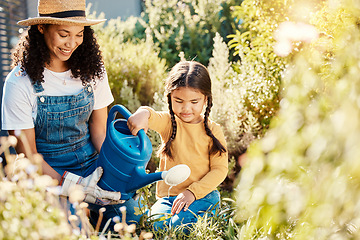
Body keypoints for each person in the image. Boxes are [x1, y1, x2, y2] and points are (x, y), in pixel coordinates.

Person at [1, 0, 142, 230]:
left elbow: (99, 132)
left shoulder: (92, 70)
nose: (72, 43)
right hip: (47, 174)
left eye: (79, 34)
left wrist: (116, 170)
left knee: (131, 219)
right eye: (64, 34)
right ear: (41, 28)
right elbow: (29, 156)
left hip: (92, 169)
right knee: (74, 231)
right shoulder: (20, 83)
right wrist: (74, 187)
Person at [127, 60, 228, 231]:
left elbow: (220, 169)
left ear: (206, 100)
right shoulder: (169, 123)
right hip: (168, 199)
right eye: (178, 100)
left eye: (194, 102)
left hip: (203, 196)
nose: (186, 108)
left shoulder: (213, 130)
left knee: (177, 226)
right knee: (156, 226)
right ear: (170, 98)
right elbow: (151, 116)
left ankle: (214, 214)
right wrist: (142, 113)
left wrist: (192, 192)